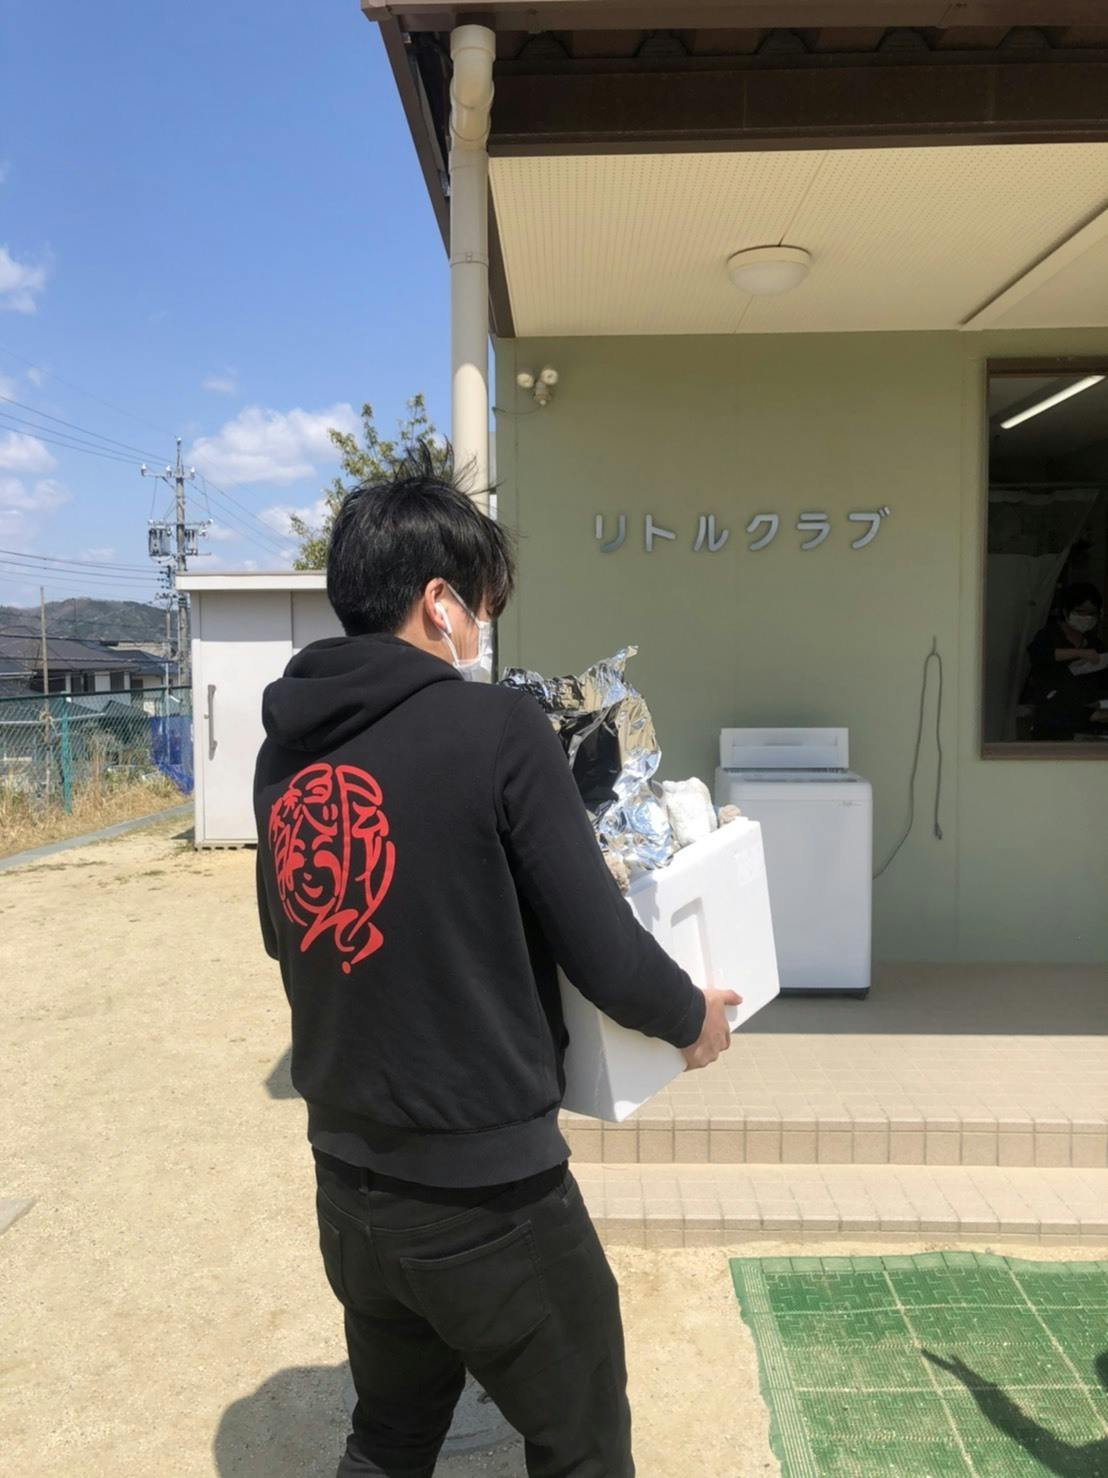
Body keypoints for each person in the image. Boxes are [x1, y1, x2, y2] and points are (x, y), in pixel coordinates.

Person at [253, 443, 740, 1478]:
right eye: (479, 606)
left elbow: (289, 935)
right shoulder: (496, 728)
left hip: (348, 1182)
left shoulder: (284, 756)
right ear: (438, 602)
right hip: (487, 1198)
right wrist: (690, 1015)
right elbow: (601, 947)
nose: (481, 629)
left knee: (389, 1435)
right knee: (581, 1445)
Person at [1023, 582, 1108, 740]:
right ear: (1066, 611)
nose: (1086, 618)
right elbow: (1040, 654)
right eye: (1080, 612)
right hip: (1053, 724)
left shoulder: (1095, 644)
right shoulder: (1049, 635)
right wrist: (1080, 653)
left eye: (1092, 613)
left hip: (1089, 726)